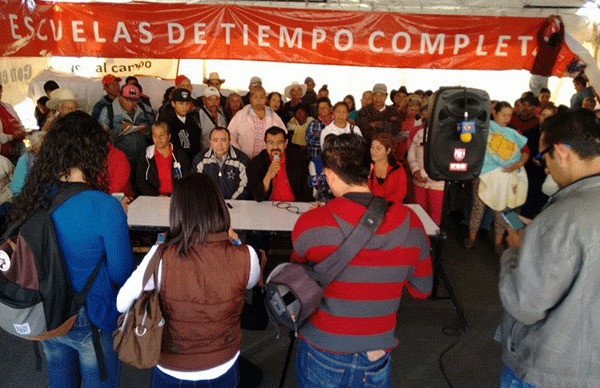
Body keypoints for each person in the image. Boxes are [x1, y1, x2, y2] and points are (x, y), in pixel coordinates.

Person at [292, 133, 432, 388]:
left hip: (322, 347)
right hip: (376, 352)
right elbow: (422, 289)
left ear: (329, 175)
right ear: (369, 169)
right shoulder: (412, 223)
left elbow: (298, 274)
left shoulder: (309, 223)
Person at [7, 111, 134, 388]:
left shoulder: (34, 196)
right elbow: (121, 272)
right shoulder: (105, 206)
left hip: (46, 311)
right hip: (92, 314)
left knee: (60, 380)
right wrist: (119, 219)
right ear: (93, 152)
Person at [117, 172, 261, 388]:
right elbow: (251, 282)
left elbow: (122, 303)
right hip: (222, 363)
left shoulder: (160, 256)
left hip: (171, 367)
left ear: (178, 212)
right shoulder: (246, 255)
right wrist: (236, 242)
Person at [497, 108, 600, 388]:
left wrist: (517, 251)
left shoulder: (561, 216)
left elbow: (525, 304)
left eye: (544, 157)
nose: (545, 167)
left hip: (548, 369)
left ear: (562, 151)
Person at [464, 101, 529, 254]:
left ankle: (498, 242)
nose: (506, 119)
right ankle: (471, 238)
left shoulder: (514, 131)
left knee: (503, 210)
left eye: (509, 116)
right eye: (503, 115)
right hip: (484, 174)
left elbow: (526, 150)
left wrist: (518, 164)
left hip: (507, 176)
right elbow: (463, 131)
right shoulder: (482, 127)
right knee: (478, 207)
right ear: (494, 112)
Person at [98, 83, 155, 180]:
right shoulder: (108, 111)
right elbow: (100, 138)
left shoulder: (146, 109)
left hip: (143, 160)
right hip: (120, 161)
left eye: (134, 101)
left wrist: (146, 129)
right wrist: (119, 129)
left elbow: (156, 132)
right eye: (127, 100)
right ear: (120, 96)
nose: (131, 104)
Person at [247, 126, 312, 202]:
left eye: (279, 142)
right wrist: (268, 175)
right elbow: (257, 197)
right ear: (265, 144)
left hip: (294, 206)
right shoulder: (257, 162)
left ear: (286, 143)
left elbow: (307, 191)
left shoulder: (298, 158)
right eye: (270, 143)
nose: (275, 147)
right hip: (267, 207)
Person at [192, 127, 251, 200]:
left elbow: (246, 186)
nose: (219, 144)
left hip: (236, 205)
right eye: (215, 140)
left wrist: (233, 201)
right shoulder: (200, 160)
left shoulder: (242, 159)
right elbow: (195, 185)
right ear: (210, 142)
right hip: (208, 205)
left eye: (223, 140)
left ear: (229, 141)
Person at [228, 86, 285, 159]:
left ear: (265, 100)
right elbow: (230, 135)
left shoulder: (273, 115)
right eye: (255, 97)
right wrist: (239, 154)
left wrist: (276, 154)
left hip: (268, 159)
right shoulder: (241, 114)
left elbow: (283, 135)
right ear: (250, 99)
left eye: (262, 97)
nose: (259, 100)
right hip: (246, 159)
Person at [136, 122, 190, 196]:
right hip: (153, 198)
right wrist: (157, 195)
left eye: (162, 135)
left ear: (169, 136)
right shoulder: (146, 155)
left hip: (177, 197)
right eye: (155, 136)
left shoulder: (180, 155)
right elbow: (140, 181)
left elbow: (187, 179)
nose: (158, 139)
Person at [407, 127, 444, 225]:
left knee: (435, 214)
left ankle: (433, 238)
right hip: (418, 182)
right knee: (419, 212)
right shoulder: (420, 133)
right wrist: (415, 170)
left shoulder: (446, 134)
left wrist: (422, 173)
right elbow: (411, 153)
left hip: (438, 184)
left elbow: (443, 160)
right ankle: (421, 236)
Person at [156, 88, 202, 163]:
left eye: (187, 104)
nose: (185, 107)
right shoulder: (165, 121)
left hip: (191, 162)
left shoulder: (192, 121)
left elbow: (196, 145)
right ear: (173, 104)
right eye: (181, 103)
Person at [368, 132, 407, 204]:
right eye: (372, 147)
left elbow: (401, 193)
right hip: (371, 207)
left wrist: (385, 203)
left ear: (388, 150)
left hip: (393, 206)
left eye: (378, 148)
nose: (373, 151)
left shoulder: (398, 169)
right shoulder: (367, 167)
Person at [11, 131, 45, 195]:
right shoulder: (25, 160)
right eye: (42, 148)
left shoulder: (50, 158)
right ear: (35, 148)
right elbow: (16, 188)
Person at [0, 84, 26, 163]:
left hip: (18, 147)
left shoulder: (8, 107)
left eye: (0, 91)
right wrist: (12, 136)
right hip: (4, 153)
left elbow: (19, 122)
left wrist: (22, 131)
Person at [305, 97, 333, 161]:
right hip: (315, 159)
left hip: (332, 161)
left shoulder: (336, 123)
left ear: (330, 109)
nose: (322, 109)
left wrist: (318, 135)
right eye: (320, 108)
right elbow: (308, 140)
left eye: (325, 107)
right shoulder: (313, 123)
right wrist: (328, 141)